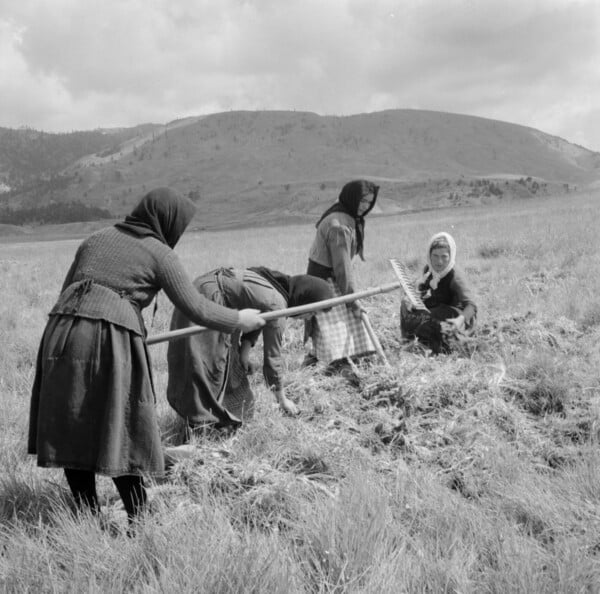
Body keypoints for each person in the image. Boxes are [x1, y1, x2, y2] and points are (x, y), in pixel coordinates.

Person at [27, 188, 265, 527]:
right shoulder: (158, 252)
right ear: (168, 222)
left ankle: (86, 518)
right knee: (124, 425)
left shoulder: (95, 239)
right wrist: (240, 319)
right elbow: (196, 307)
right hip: (106, 338)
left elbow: (68, 289)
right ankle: (140, 522)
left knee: (75, 425)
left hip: (61, 333)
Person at [167, 266, 333, 428]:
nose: (310, 317)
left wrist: (244, 353)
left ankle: (212, 420)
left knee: (226, 366)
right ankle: (201, 426)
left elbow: (258, 313)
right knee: (208, 366)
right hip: (211, 300)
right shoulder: (277, 306)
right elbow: (273, 357)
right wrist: (282, 399)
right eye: (313, 311)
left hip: (207, 291)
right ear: (305, 300)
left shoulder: (276, 287)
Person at [303, 179, 380, 377]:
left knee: (347, 324)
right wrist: (352, 302)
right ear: (351, 198)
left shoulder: (347, 216)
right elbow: (342, 268)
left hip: (331, 277)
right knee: (333, 326)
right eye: (362, 201)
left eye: (369, 203)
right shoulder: (339, 226)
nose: (365, 207)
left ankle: (336, 361)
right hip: (322, 282)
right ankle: (331, 364)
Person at [400, 231, 477, 354]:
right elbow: (426, 291)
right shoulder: (429, 270)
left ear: (450, 256)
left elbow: (472, 305)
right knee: (405, 305)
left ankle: (440, 348)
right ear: (429, 256)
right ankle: (408, 342)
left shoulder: (455, 277)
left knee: (430, 317)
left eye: (444, 257)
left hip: (455, 320)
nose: (439, 262)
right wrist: (414, 297)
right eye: (435, 256)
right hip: (437, 312)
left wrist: (460, 320)